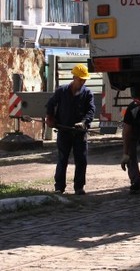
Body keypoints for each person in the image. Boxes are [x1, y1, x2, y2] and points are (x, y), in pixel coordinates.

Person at [44, 64, 95, 195]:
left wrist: (84, 123)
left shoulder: (87, 93)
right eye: (80, 80)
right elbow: (50, 104)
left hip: (80, 133)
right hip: (64, 131)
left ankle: (79, 187)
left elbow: (91, 111)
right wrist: (50, 118)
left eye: (84, 80)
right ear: (74, 77)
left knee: (81, 160)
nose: (83, 82)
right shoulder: (61, 91)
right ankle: (59, 187)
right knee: (62, 159)